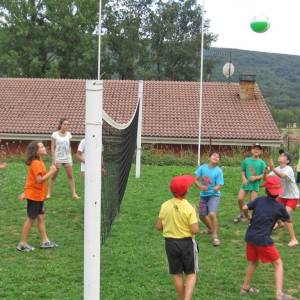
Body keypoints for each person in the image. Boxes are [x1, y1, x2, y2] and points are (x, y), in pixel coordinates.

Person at [240, 176, 293, 300]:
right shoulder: (279, 207)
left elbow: (244, 208)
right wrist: (281, 222)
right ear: (279, 192)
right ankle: (279, 294)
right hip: (263, 240)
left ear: (266, 190)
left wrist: (248, 218)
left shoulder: (259, 200)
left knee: (253, 261)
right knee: (278, 263)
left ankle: (245, 288)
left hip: (250, 236)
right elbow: (288, 220)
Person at [156, 175, 199, 300]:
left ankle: (181, 298)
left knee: (176, 273)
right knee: (191, 273)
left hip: (170, 244)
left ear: (171, 190)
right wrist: (195, 215)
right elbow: (195, 230)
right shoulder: (189, 208)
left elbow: (159, 226)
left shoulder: (165, 205)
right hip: (187, 244)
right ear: (187, 191)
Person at [17, 141, 58, 252]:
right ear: (36, 150)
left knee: (41, 217)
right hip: (34, 197)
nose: (44, 148)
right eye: (42, 147)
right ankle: (22, 244)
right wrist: (51, 171)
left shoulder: (39, 161)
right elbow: (39, 180)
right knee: (31, 219)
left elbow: (33, 180)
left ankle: (45, 241)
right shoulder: (36, 163)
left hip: (38, 196)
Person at [268, 150, 299, 247]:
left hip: (292, 197)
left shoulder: (288, 169)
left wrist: (272, 168)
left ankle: (294, 240)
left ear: (287, 161)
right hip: (282, 196)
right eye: (280, 155)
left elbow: (282, 175)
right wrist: (264, 172)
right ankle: (280, 223)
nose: (280, 156)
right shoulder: (277, 168)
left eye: (283, 155)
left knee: (285, 215)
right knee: (273, 209)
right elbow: (268, 178)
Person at [194, 151, 224, 246]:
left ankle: (215, 236)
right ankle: (210, 229)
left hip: (214, 195)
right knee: (202, 215)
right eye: (214, 156)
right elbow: (195, 179)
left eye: (218, 157)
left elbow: (219, 184)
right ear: (209, 157)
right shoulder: (202, 168)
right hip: (203, 196)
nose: (216, 157)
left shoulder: (218, 171)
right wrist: (200, 187)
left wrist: (216, 188)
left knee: (211, 213)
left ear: (219, 160)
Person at [234, 143, 267, 223]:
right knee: (240, 199)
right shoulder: (246, 160)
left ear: (261, 152)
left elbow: (264, 175)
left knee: (252, 202)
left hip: (255, 184)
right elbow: (243, 171)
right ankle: (242, 213)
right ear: (251, 150)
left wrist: (256, 177)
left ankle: (251, 218)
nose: (256, 150)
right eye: (254, 148)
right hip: (246, 183)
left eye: (258, 149)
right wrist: (244, 178)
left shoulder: (262, 163)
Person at [47, 118, 79, 199]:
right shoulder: (55, 134)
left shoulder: (69, 134)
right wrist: (53, 159)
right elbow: (52, 147)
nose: (66, 126)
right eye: (64, 124)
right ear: (60, 125)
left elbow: (69, 146)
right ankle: (49, 194)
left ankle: (74, 194)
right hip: (58, 158)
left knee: (70, 176)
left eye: (67, 124)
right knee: (53, 176)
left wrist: (70, 155)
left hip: (67, 158)